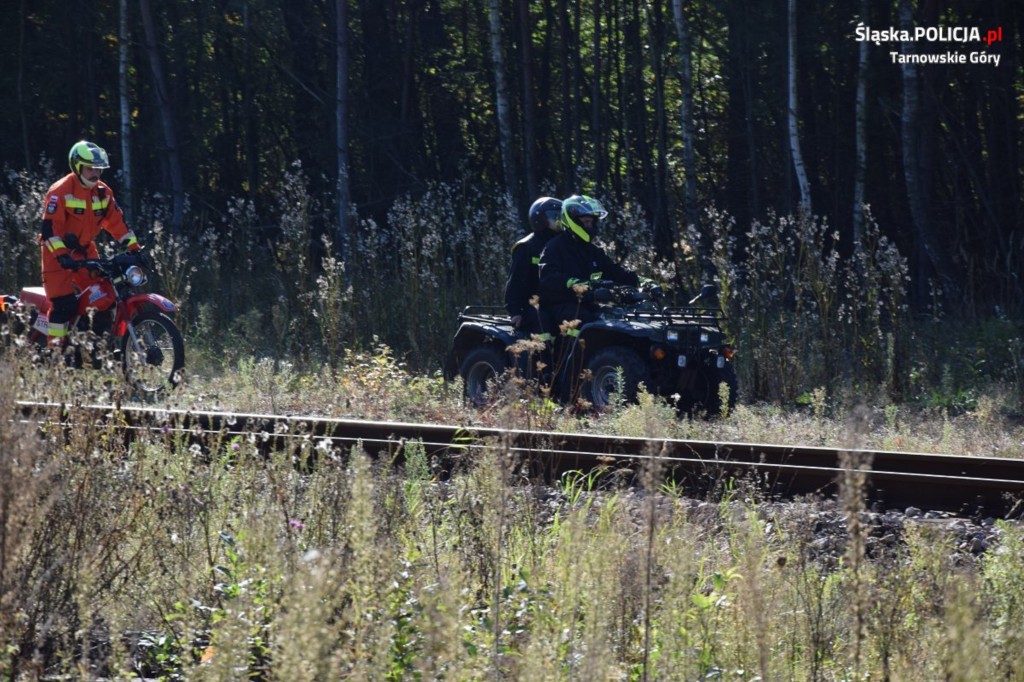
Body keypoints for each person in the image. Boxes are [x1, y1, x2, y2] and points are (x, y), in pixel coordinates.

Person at [38, 140, 141, 346]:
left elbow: (117, 222)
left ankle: (95, 349)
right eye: (90, 168)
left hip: (86, 251)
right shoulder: (60, 191)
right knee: (64, 305)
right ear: (77, 166)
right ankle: (54, 356)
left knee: (104, 299)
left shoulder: (104, 192)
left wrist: (134, 249)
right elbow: (50, 230)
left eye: (98, 169)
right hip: (57, 256)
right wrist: (62, 256)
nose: (95, 173)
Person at [537, 194, 641, 329]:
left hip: (588, 302)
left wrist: (641, 281)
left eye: (591, 222)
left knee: (619, 316)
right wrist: (579, 284)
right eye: (586, 221)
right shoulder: (554, 247)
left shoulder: (593, 250)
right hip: (560, 304)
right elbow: (548, 277)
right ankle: (573, 350)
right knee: (589, 323)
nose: (589, 225)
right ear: (573, 220)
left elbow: (614, 270)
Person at [503, 196, 562, 335]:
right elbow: (515, 282)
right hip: (529, 306)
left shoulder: (562, 245)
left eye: (561, 216)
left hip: (553, 303)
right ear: (539, 219)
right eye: (554, 216)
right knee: (543, 321)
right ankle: (542, 355)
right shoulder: (526, 247)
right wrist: (516, 312)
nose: (559, 221)